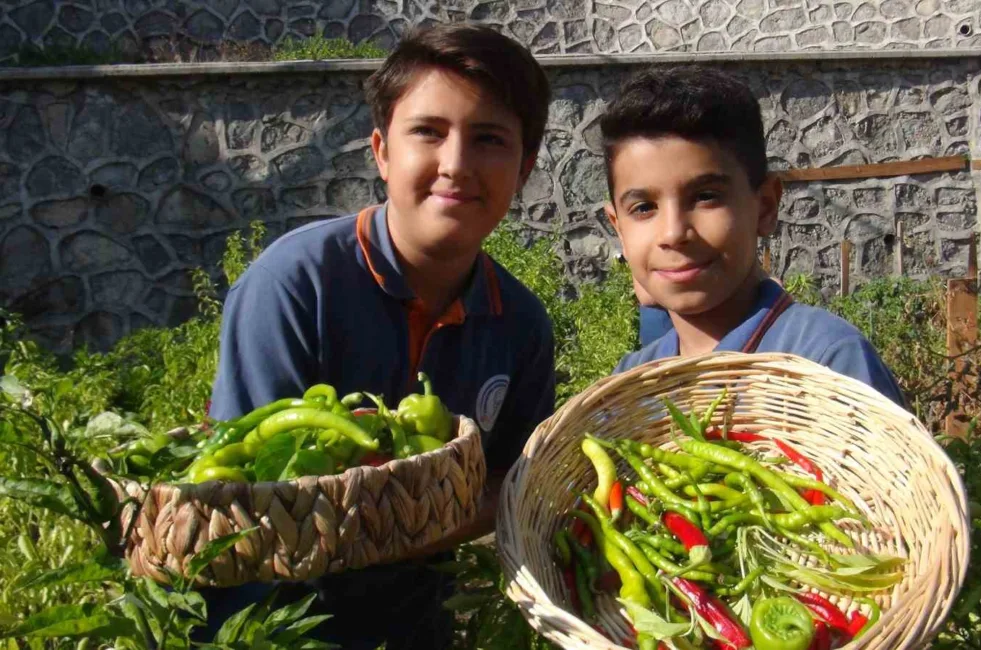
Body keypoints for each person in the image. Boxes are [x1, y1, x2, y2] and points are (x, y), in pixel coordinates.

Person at [200, 24, 555, 649]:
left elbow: (513, 485)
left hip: (416, 628)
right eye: (428, 132)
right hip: (271, 626)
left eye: (489, 139)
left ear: (524, 168)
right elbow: (256, 495)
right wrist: (422, 512)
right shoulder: (297, 284)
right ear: (382, 151)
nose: (456, 164)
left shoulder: (520, 323)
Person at [601, 66, 905, 406]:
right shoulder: (630, 386)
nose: (673, 233)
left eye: (705, 197)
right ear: (618, 227)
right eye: (644, 207)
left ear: (765, 207)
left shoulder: (826, 363)